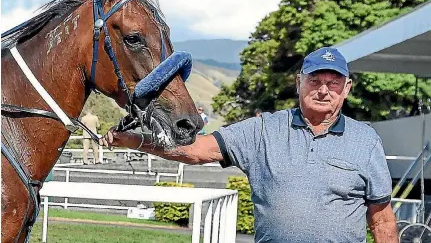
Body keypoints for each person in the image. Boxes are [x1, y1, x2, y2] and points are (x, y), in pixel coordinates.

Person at [101, 47, 398, 243]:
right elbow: (196, 150)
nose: (323, 89)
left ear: (346, 88)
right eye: (314, 80)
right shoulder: (264, 130)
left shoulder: (365, 140)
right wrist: (134, 140)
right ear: (299, 83)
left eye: (333, 82)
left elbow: (382, 220)